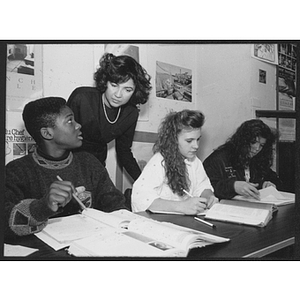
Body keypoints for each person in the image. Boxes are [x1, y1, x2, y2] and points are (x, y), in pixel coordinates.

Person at [5, 97, 127, 238]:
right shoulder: (16, 171)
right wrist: (43, 207)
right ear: (47, 133)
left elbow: (117, 206)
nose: (78, 125)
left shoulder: (89, 162)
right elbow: (5, 223)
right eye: (70, 121)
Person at [67, 53, 152, 181]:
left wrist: (143, 182)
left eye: (127, 90)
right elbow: (60, 140)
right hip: (68, 162)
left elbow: (124, 152)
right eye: (114, 85)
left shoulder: (131, 113)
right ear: (105, 81)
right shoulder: (82, 97)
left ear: (135, 91)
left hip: (97, 166)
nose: (118, 94)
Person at [131, 110, 218, 215]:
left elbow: (202, 186)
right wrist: (181, 206)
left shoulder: (195, 162)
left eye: (198, 139)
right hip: (161, 221)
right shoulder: (159, 161)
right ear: (174, 140)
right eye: (189, 141)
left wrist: (209, 197)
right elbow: (140, 199)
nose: (196, 146)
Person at [203, 119, 282, 200]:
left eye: (261, 145)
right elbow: (206, 188)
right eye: (253, 142)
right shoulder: (218, 159)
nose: (257, 148)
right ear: (243, 141)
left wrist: (267, 184)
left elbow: (274, 178)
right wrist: (233, 186)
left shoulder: (257, 158)